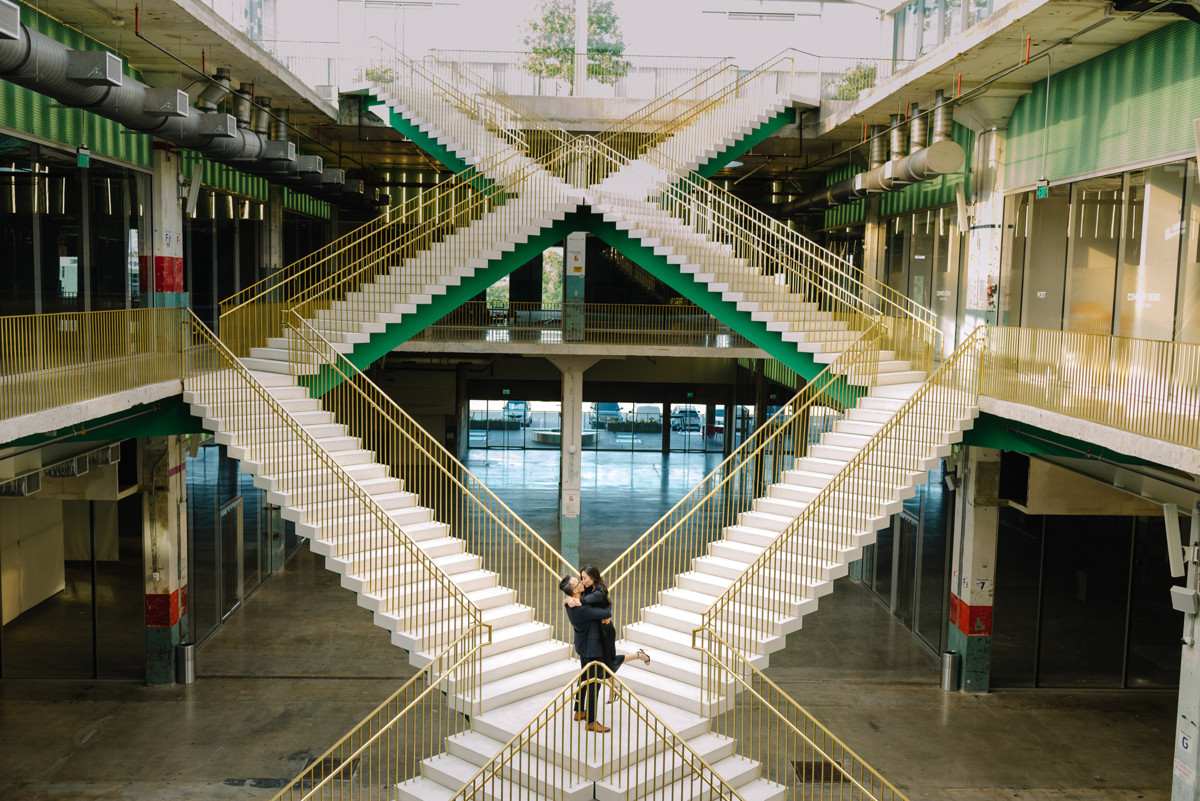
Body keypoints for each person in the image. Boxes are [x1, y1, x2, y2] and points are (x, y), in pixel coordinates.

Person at [565, 565, 650, 703]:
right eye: (581, 578)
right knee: (607, 663)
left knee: (609, 662)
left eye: (584, 578)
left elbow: (584, 601)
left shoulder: (600, 591)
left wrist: (573, 601)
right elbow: (573, 593)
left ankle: (639, 655)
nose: (582, 581)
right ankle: (614, 689)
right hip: (596, 630)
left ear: (593, 577)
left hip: (606, 630)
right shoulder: (586, 588)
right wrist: (568, 599)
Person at [559, 573, 614, 733]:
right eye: (579, 584)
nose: (583, 583)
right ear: (575, 591)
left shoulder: (571, 603)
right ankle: (591, 721)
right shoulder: (583, 609)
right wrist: (605, 608)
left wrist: (567, 599)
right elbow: (606, 613)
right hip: (592, 649)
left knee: (584, 678)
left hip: (583, 646)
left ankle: (578, 711)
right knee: (594, 685)